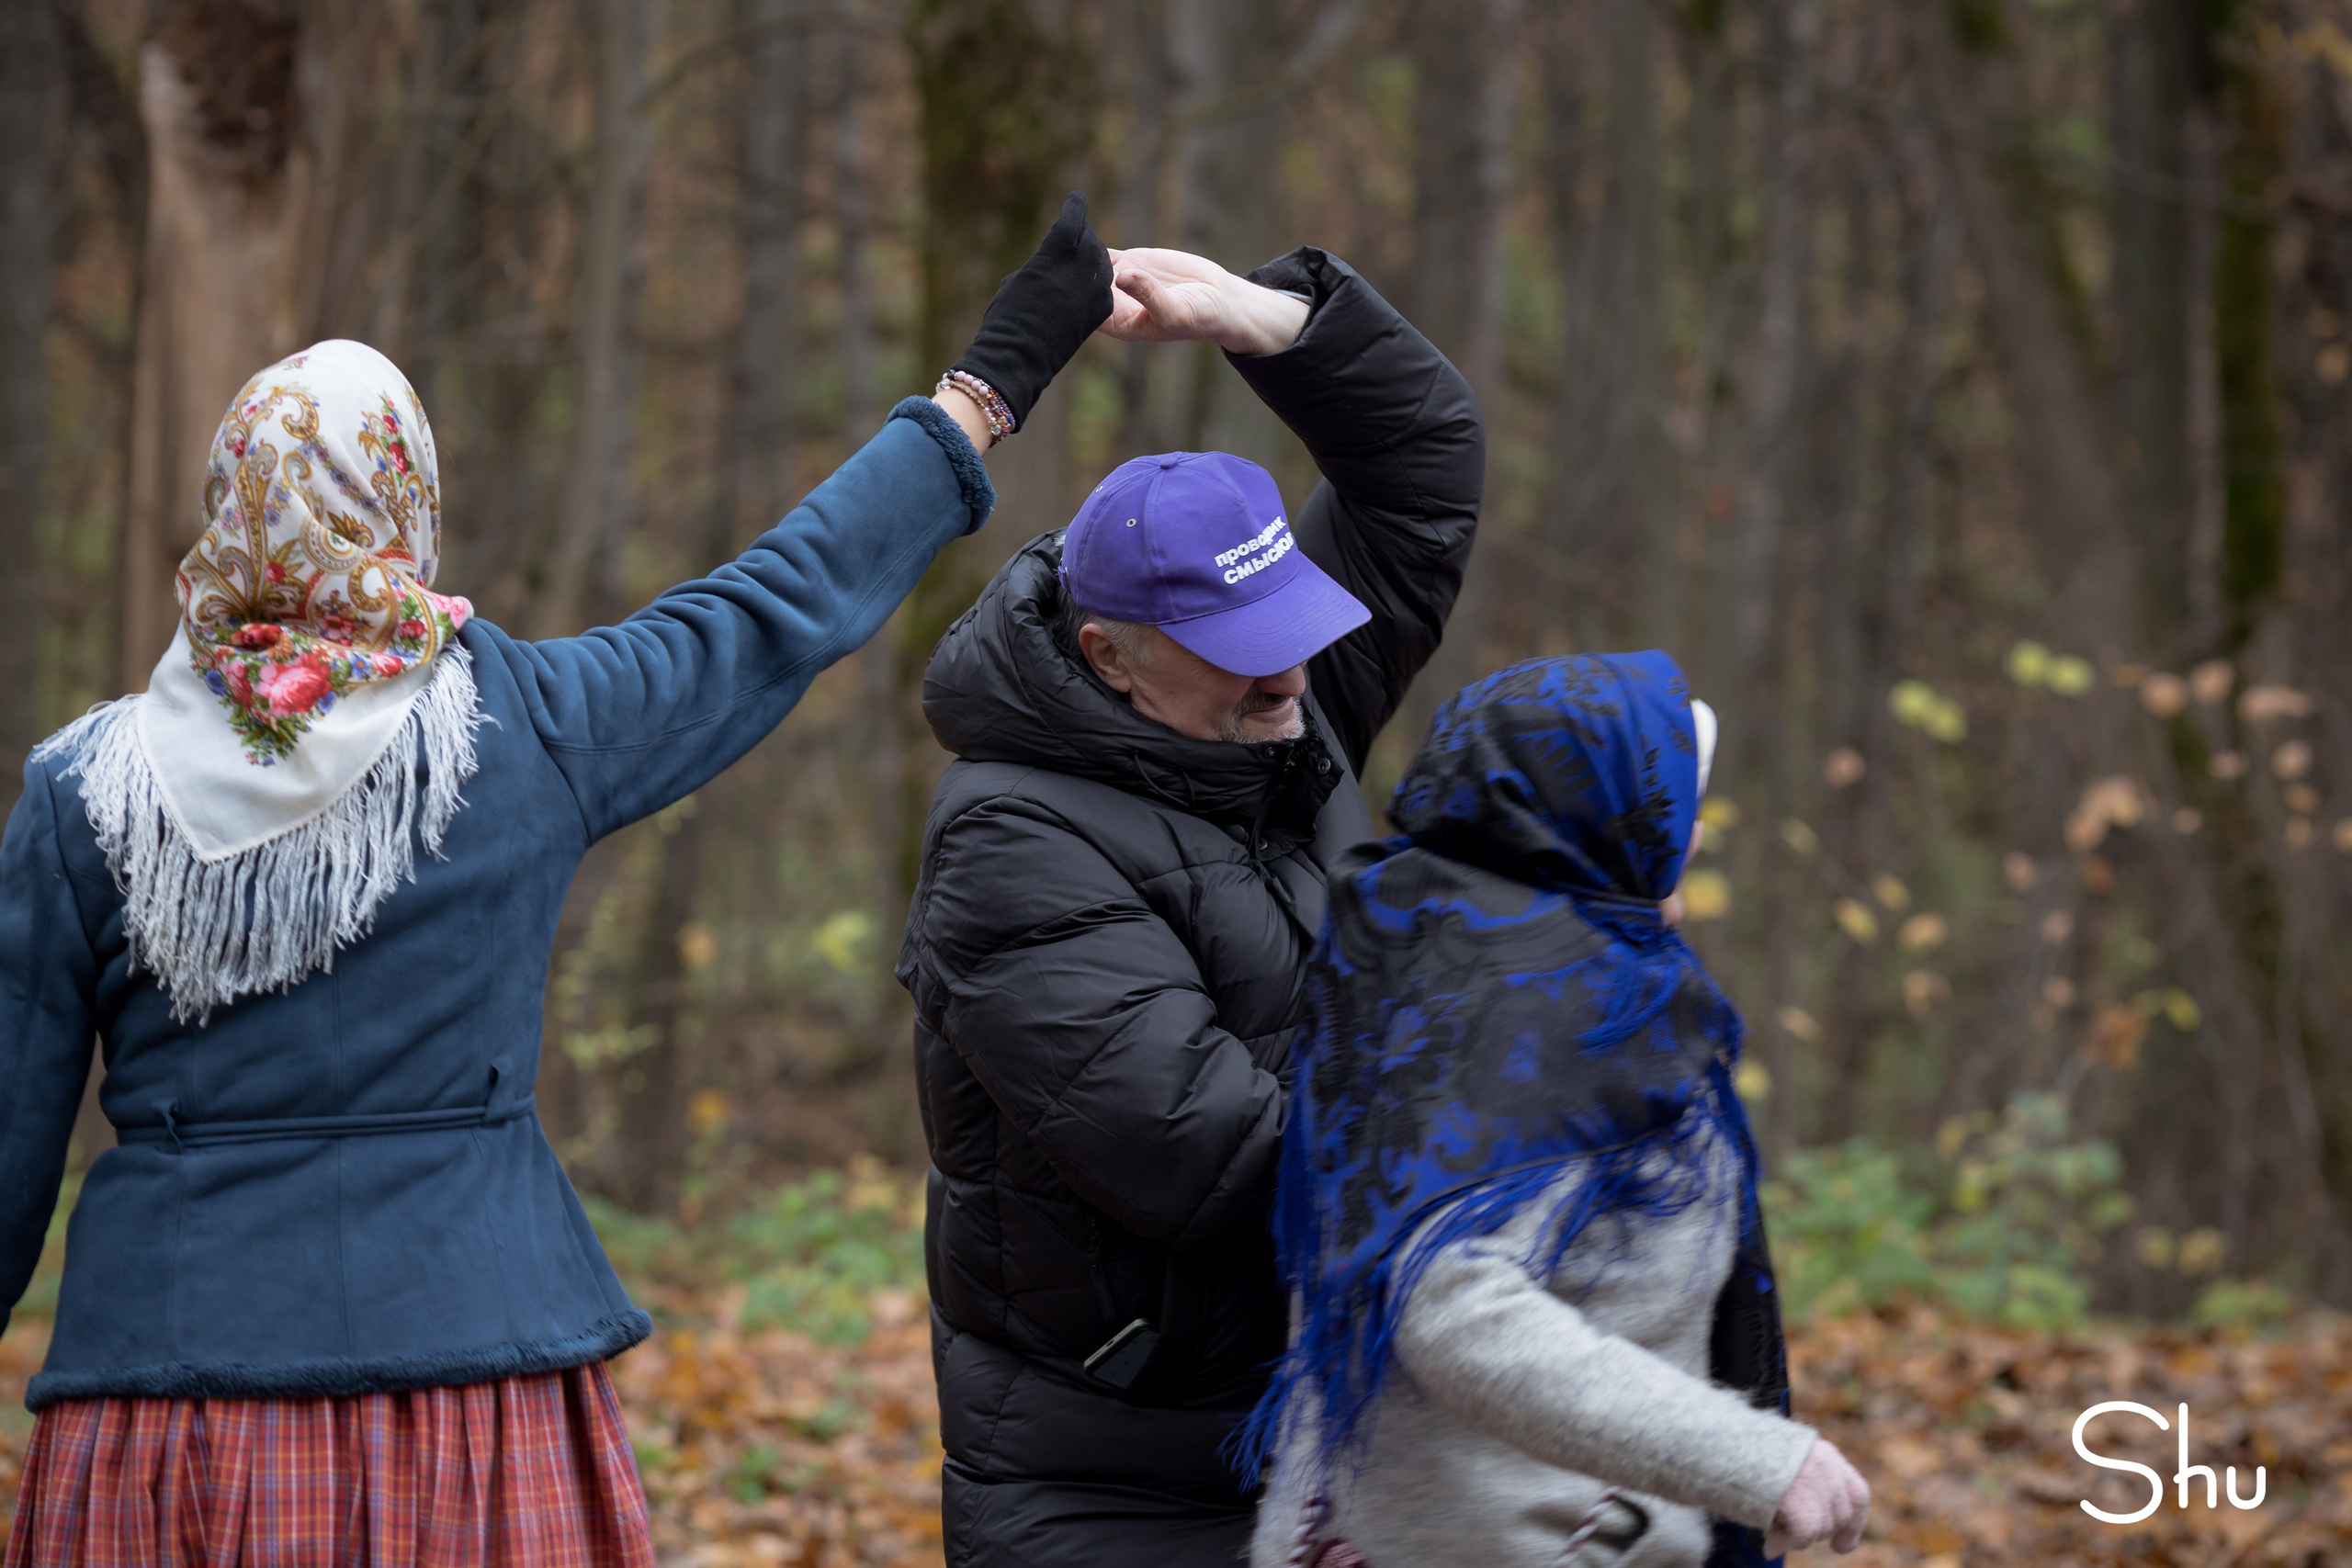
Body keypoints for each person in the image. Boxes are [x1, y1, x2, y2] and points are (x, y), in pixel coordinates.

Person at [0, 196, 1115, 1565]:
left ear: (233, 506)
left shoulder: (84, 789)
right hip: (472, 1386)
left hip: (166, 1401)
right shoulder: (521, 725)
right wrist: (979, 393)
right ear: (409, 502)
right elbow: (773, 606)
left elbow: (7, 1148)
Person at [896, 243, 1483, 1566]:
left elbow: (1424, 466)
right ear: (1107, 653)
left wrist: (1267, 319)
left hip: (1324, 1429)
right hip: (1126, 1476)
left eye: (1295, 631)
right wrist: (1519, 1099)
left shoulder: (1281, 697)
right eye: (1242, 659)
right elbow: (1221, 1154)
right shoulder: (1010, 835)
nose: (1291, 683)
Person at [1240, 653, 1872, 1568]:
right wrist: (1764, 1461)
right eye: (1670, 805)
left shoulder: (1444, 956)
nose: (1690, 836)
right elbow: (1453, 1307)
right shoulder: (1538, 1021)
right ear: (1595, 822)